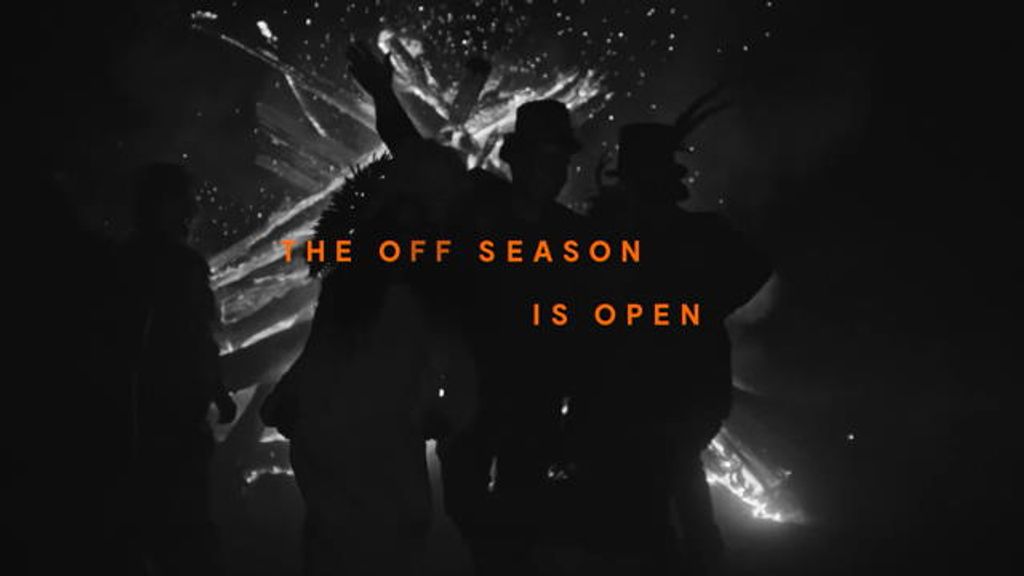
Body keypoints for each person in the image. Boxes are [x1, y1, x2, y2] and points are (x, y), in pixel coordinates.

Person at [346, 40, 594, 575]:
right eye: (543, 156)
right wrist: (383, 94)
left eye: (560, 160)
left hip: (535, 400)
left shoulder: (574, 238)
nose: (553, 169)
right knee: (464, 502)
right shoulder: (478, 201)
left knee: (519, 509)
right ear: (516, 159)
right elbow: (413, 154)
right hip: (471, 393)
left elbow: (586, 327)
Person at [261, 141, 478, 576]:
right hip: (357, 451)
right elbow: (326, 348)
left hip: (361, 448)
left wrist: (448, 413)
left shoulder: (408, 281)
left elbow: (454, 362)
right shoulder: (394, 281)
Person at [583, 93, 771, 574]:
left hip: (680, 394)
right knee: (666, 497)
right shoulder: (615, 240)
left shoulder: (699, 235)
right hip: (639, 394)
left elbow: (754, 268)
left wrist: (699, 309)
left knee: (672, 490)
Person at [112, 162, 236, 575]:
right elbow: (195, 335)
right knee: (185, 533)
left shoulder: (120, 261)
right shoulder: (179, 265)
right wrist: (216, 390)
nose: (193, 211)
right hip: (171, 421)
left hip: (134, 423)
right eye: (185, 201)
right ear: (163, 204)